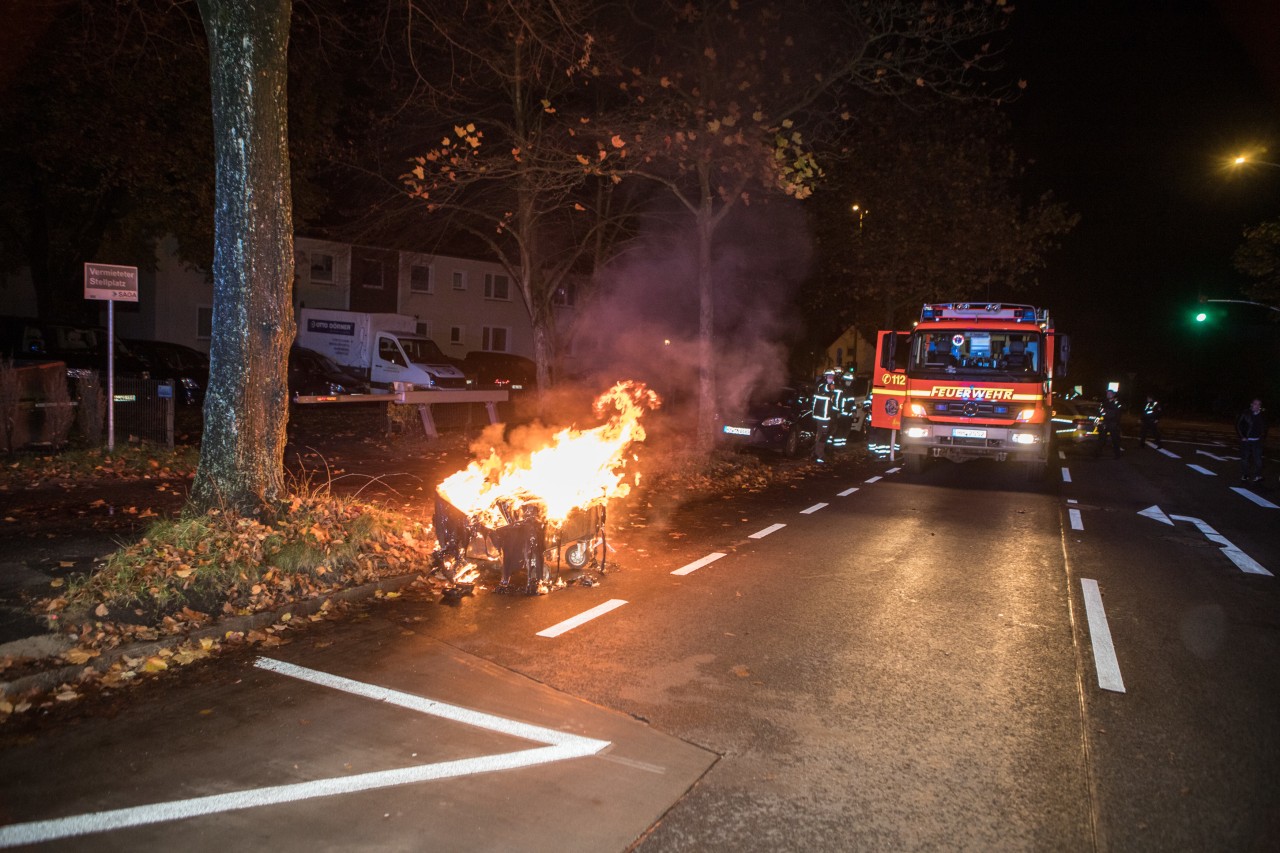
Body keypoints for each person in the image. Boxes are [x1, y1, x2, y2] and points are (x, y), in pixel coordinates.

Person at [1236, 398, 1268, 482]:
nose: (1256, 406)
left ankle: (1257, 475)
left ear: (1260, 406)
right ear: (1251, 404)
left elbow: (1265, 428)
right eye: (1255, 404)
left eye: (1258, 404)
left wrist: (1263, 437)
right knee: (1245, 459)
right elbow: (1238, 425)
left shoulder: (1262, 415)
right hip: (1246, 440)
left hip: (1257, 441)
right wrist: (1242, 436)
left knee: (1258, 460)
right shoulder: (1245, 413)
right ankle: (1245, 475)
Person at [811, 369, 838, 463]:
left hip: (826, 416)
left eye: (833, 376)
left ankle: (816, 453)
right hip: (821, 416)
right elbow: (823, 388)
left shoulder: (830, 386)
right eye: (829, 376)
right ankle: (819, 455)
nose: (831, 378)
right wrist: (830, 387)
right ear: (825, 376)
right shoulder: (821, 385)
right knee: (822, 436)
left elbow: (830, 402)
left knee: (822, 435)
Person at [1093, 389, 1123, 458]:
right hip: (1105, 423)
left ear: (1113, 395)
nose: (1108, 395)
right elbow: (1099, 414)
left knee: (1115, 440)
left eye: (1110, 393)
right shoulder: (1104, 403)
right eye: (1107, 393)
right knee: (1101, 439)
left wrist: (1116, 424)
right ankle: (1097, 453)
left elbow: (1118, 415)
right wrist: (1096, 421)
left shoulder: (1117, 403)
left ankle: (1117, 454)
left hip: (1113, 424)